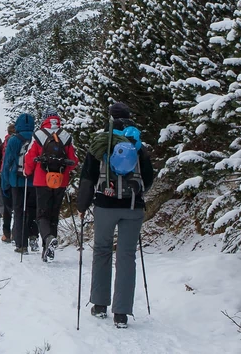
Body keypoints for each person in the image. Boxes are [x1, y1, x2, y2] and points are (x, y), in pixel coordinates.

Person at [76, 102, 154, 329]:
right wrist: (137, 194)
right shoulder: (138, 144)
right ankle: (121, 313)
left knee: (102, 251)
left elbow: (88, 177)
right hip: (132, 206)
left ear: (109, 118)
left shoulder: (102, 142)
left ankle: (100, 305)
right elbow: (148, 178)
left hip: (105, 205)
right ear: (129, 119)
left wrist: (82, 205)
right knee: (127, 256)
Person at [22, 107, 77, 262]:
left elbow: (30, 157)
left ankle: (47, 238)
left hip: (42, 180)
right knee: (54, 214)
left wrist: (27, 172)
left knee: (42, 215)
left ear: (44, 119)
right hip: (60, 180)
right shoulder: (66, 136)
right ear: (57, 120)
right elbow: (74, 161)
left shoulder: (38, 135)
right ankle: (49, 250)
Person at [0, 112, 38, 254]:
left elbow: (7, 163)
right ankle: (33, 237)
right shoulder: (37, 138)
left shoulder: (14, 140)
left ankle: (21, 244)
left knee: (19, 211)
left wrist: (5, 184)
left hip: (17, 181)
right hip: (34, 181)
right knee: (32, 210)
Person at [0, 122, 15, 242]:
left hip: (5, 178)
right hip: (18, 178)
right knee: (19, 207)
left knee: (7, 208)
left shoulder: (4, 144)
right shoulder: (21, 142)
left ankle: (6, 234)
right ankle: (16, 232)